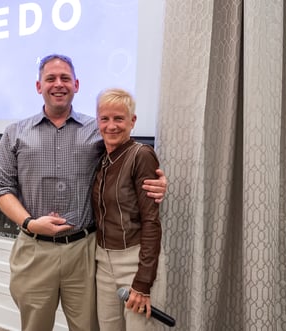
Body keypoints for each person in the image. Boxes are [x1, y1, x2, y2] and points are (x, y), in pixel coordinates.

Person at [0, 54, 167, 331]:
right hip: (34, 249)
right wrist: (29, 222)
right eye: (50, 78)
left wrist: (156, 180)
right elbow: (0, 187)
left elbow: (129, 157)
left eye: (65, 78)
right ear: (39, 86)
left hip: (84, 251)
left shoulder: (97, 131)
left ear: (76, 85)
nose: (58, 84)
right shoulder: (15, 133)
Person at [92, 88, 166, 331]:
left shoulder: (141, 155)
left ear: (132, 121)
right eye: (105, 118)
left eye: (119, 118)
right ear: (97, 121)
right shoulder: (102, 158)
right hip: (103, 262)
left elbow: (151, 222)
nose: (111, 126)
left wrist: (143, 282)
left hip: (135, 262)